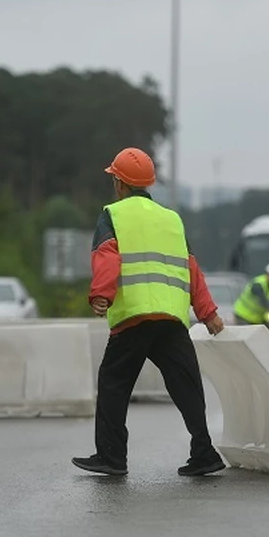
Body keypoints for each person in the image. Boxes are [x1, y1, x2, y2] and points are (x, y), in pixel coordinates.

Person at [72, 146, 226, 477]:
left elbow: (106, 255)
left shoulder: (112, 215)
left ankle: (112, 457)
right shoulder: (172, 219)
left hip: (134, 317)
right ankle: (204, 452)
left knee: (113, 382)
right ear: (149, 184)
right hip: (171, 319)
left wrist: (102, 294)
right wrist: (208, 312)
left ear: (119, 184)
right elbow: (191, 268)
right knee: (186, 384)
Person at [232, 260, 269, 327]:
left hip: (257, 319)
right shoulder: (258, 284)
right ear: (268, 274)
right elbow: (264, 302)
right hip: (243, 315)